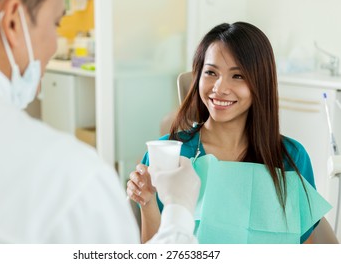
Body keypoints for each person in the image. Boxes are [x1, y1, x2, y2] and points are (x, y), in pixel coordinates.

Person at [0, 0, 200, 243]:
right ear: (14, 22)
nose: (54, 45)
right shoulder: (71, 181)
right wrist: (178, 212)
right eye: (56, 23)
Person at [127, 22, 330, 244]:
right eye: (211, 72)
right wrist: (147, 203)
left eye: (238, 76)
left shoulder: (291, 157)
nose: (220, 88)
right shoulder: (168, 154)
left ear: (260, 83)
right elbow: (155, 251)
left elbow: (305, 244)